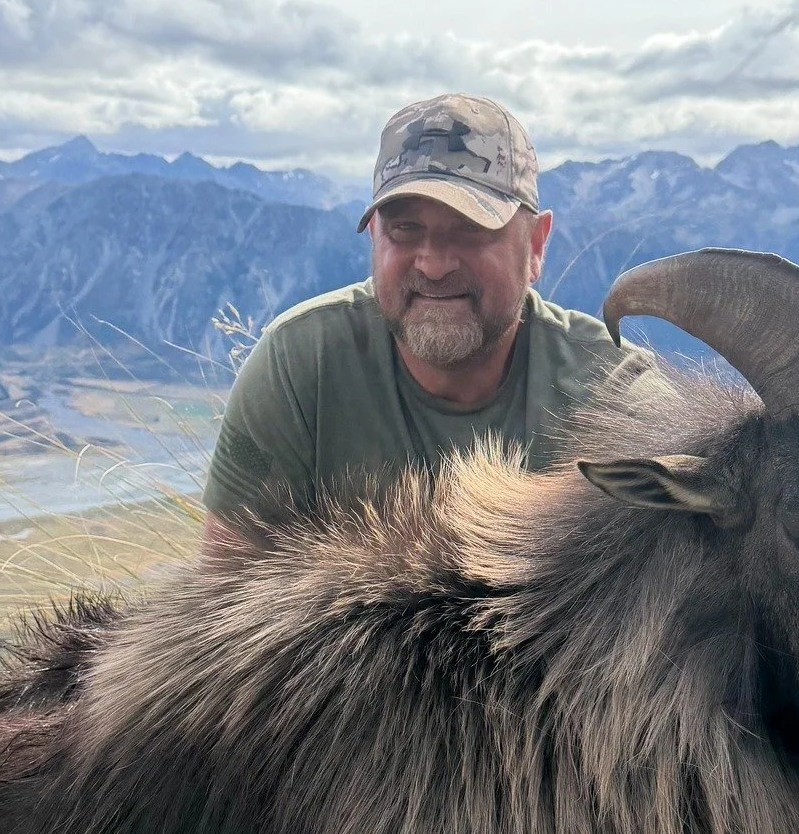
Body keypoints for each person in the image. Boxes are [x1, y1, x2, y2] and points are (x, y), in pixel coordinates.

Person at [199, 93, 657, 557]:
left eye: (472, 228)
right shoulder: (299, 363)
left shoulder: (614, 393)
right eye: (405, 229)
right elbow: (223, 590)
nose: (435, 264)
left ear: (535, 245)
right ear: (375, 235)